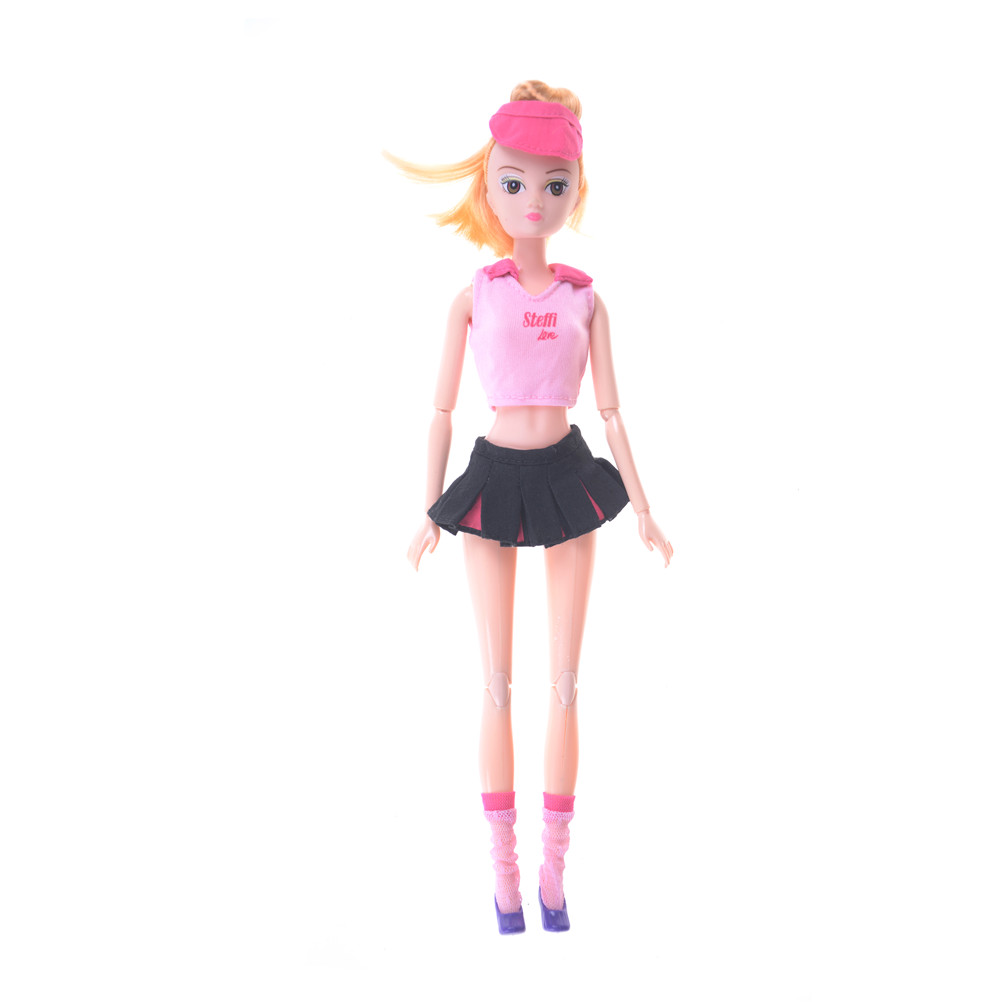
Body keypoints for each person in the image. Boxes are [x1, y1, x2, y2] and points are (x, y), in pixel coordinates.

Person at [389, 80, 672, 934]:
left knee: (566, 683)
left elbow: (614, 412)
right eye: (514, 182)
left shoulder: (587, 298)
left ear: (577, 188)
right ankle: (503, 876)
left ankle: (555, 873)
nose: (534, 201)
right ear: (489, 185)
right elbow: (439, 411)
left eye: (555, 183)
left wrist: (645, 508)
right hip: (491, 478)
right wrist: (428, 511)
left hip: (567, 474)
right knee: (495, 682)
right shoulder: (475, 295)